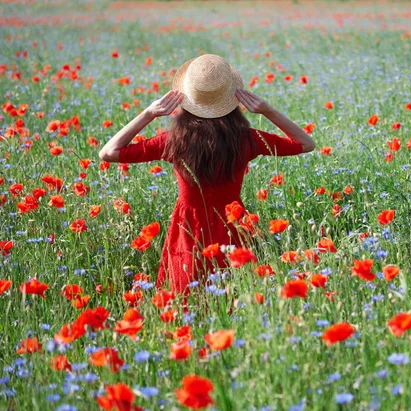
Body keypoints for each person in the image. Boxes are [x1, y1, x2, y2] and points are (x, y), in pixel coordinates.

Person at [99, 54, 315, 294]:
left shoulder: (173, 141)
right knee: (232, 300)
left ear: (188, 99)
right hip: (232, 228)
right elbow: (306, 144)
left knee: (186, 302)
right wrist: (268, 111)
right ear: (232, 98)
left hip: (187, 233)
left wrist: (149, 113)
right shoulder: (248, 140)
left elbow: (109, 152)